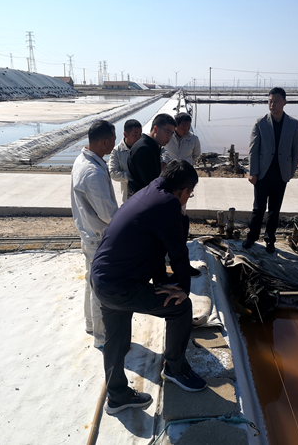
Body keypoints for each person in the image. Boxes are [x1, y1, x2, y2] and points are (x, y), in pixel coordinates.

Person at [92, 160, 207, 415]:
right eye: (190, 194)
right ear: (185, 190)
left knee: (116, 340)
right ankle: (175, 368)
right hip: (123, 285)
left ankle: (117, 397)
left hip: (103, 280)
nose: (188, 199)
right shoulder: (167, 203)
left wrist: (162, 282)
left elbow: (154, 247)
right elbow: (177, 251)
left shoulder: (148, 191)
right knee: (180, 307)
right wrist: (184, 289)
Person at [70, 120, 118, 349]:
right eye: (114, 140)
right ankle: (103, 338)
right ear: (105, 141)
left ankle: (91, 324)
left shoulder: (83, 160)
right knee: (101, 289)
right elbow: (108, 214)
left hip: (89, 233)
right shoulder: (93, 173)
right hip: (98, 238)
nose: (115, 144)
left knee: (92, 282)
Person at [243, 87, 298, 253]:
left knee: (274, 210)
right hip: (262, 174)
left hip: (281, 174)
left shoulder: (293, 124)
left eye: (275, 101)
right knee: (258, 209)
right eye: (270, 101)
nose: (272, 104)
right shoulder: (260, 122)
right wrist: (253, 172)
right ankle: (252, 237)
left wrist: (291, 171)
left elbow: (296, 149)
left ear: (284, 102)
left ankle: (270, 239)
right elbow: (253, 150)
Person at [127, 113, 177, 197]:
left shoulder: (153, 146)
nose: (169, 137)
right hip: (141, 199)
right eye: (167, 132)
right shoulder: (143, 149)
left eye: (172, 133)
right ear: (156, 129)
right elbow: (152, 183)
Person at [108, 119, 142, 202]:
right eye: (135, 134)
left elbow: (162, 150)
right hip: (129, 196)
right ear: (125, 134)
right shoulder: (117, 151)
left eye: (140, 134)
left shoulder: (144, 146)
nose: (139, 137)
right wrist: (132, 176)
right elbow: (113, 173)